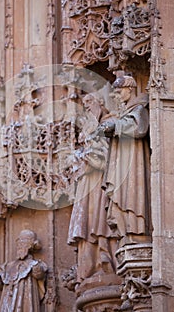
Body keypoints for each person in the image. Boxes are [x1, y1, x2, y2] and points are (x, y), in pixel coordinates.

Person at [67, 93, 118, 287]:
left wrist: (89, 157)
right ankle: (87, 268)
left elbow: (109, 156)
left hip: (103, 183)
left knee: (101, 220)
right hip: (87, 184)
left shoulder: (110, 122)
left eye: (90, 102)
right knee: (87, 223)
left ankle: (107, 259)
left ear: (101, 102)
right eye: (84, 104)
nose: (87, 107)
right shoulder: (90, 127)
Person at [97, 74, 151, 246]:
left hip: (134, 160)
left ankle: (136, 229)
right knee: (121, 194)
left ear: (130, 89)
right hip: (122, 160)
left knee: (132, 195)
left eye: (120, 92)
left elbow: (139, 128)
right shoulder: (127, 111)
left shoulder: (140, 108)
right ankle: (126, 232)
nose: (118, 96)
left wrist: (116, 126)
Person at [0, 229, 47, 312]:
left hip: (26, 300)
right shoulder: (8, 266)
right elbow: (1, 285)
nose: (19, 245)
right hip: (8, 303)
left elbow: (40, 275)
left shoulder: (34, 264)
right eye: (19, 242)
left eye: (22, 242)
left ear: (30, 245)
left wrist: (36, 269)